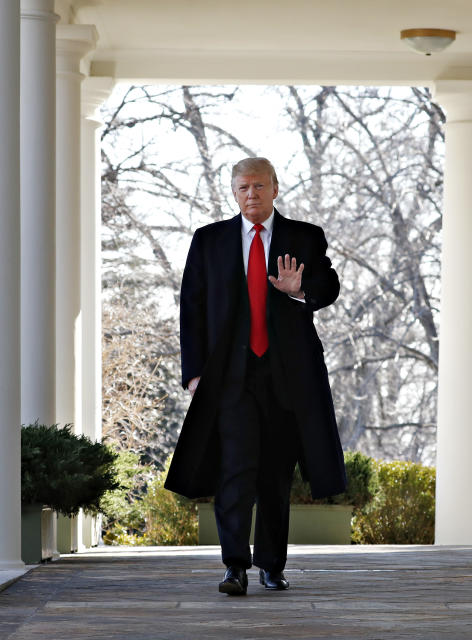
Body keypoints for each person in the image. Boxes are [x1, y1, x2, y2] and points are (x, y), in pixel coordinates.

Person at [165, 157, 346, 596]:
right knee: (235, 471)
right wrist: (193, 374)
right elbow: (192, 307)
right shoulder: (209, 240)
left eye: (260, 186)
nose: (252, 194)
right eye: (244, 187)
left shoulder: (306, 236)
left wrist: (297, 290)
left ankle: (270, 565)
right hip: (230, 378)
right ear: (234, 191)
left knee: (275, 477)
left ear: (275, 189)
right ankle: (234, 567)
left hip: (287, 378)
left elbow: (330, 286)